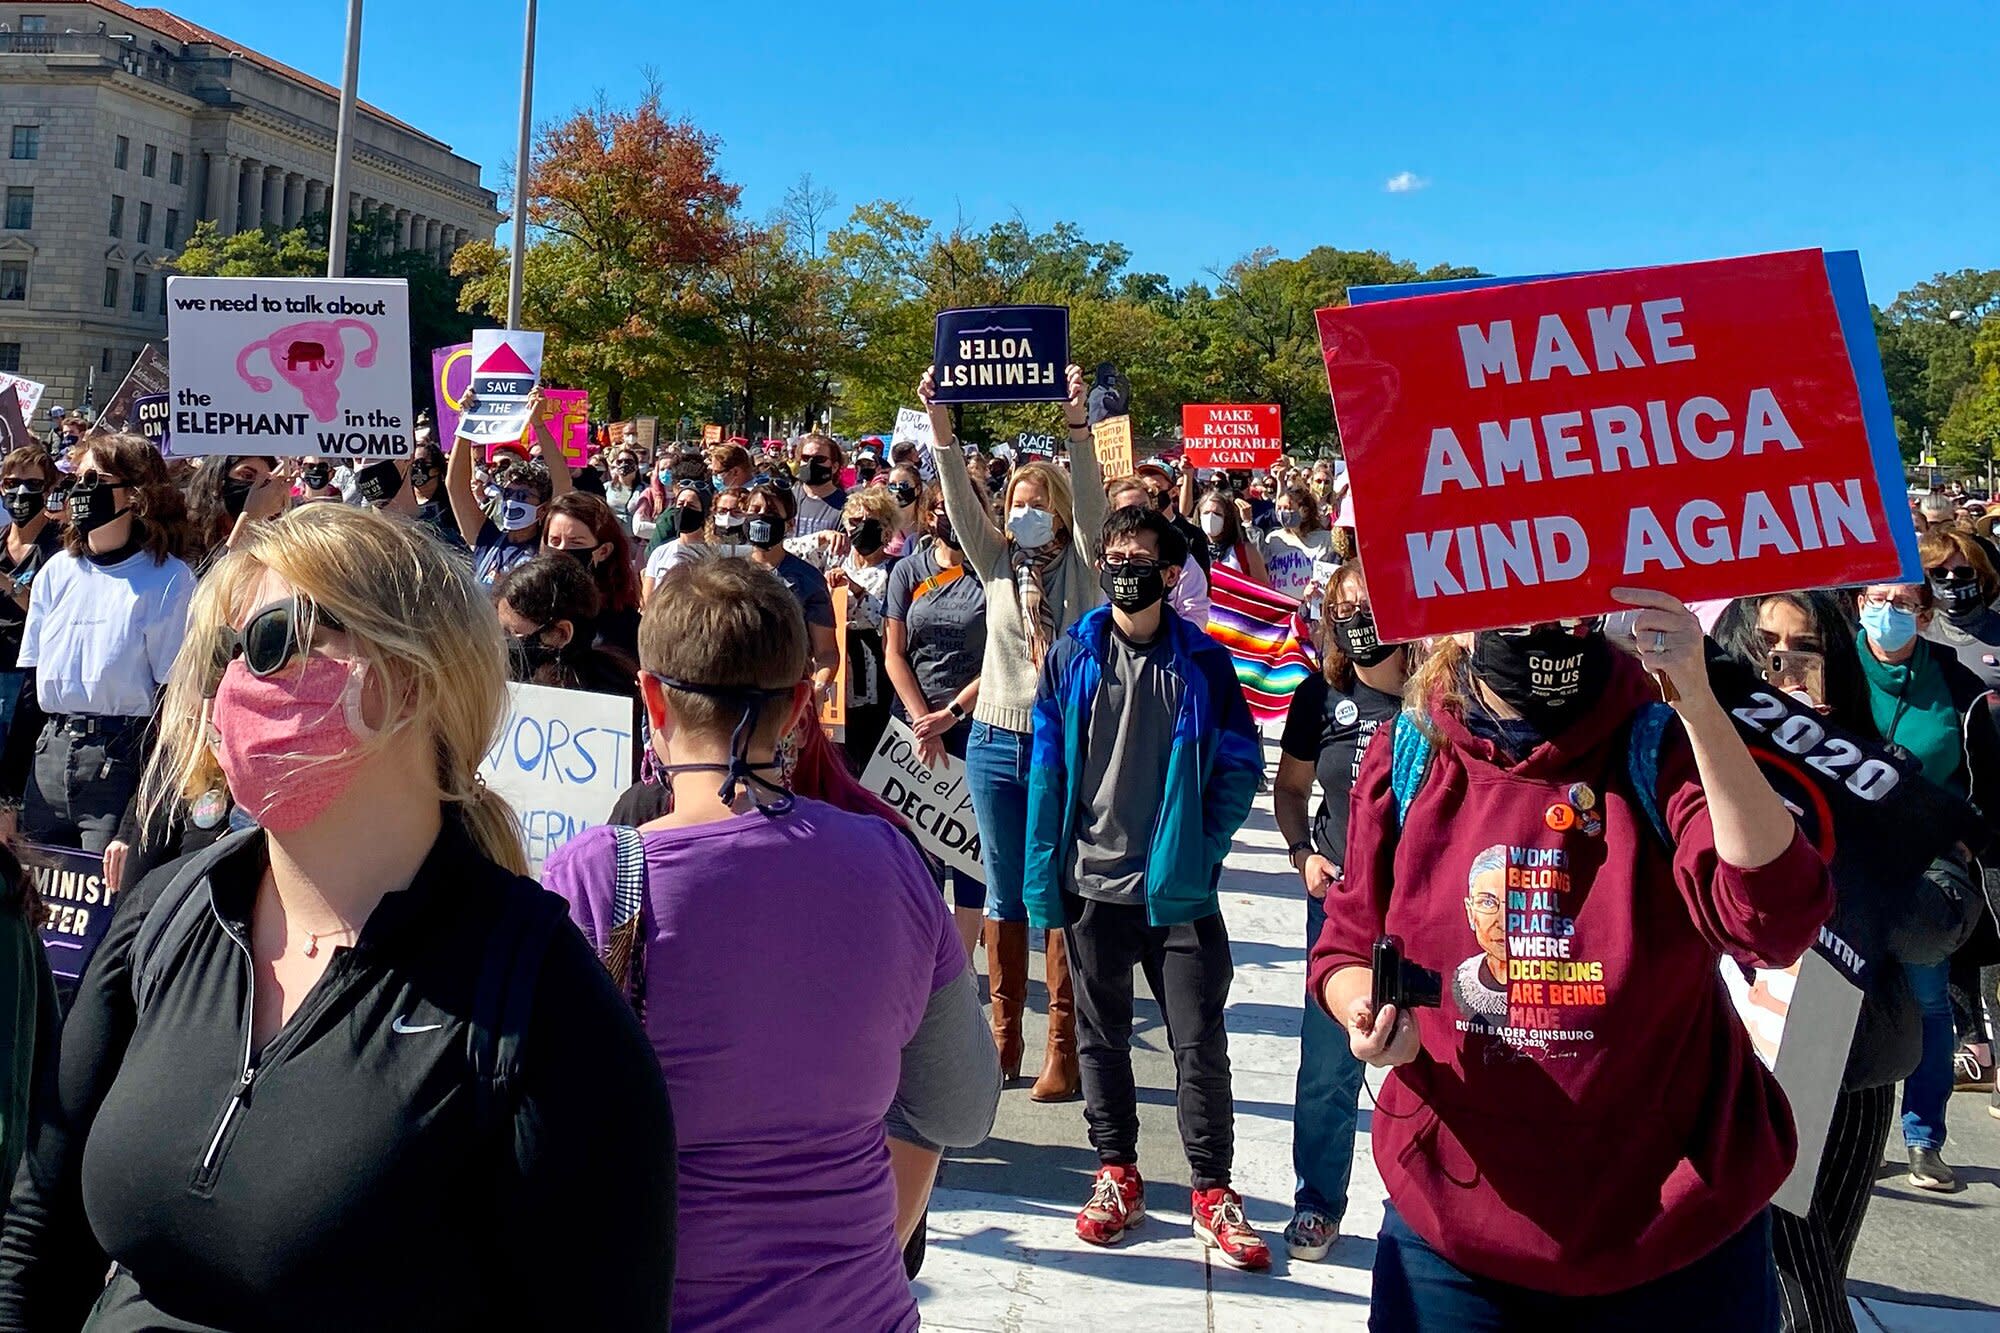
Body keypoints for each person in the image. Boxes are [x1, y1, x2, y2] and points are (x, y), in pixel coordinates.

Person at [0, 503, 677, 1331]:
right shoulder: (163, 917)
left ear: (412, 674)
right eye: (222, 654)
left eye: (276, 639)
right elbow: (37, 1240)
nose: (235, 682)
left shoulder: (544, 1007)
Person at [1310, 595, 1834, 1328]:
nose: (1542, 635)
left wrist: (1699, 702)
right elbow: (1345, 940)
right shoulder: (1410, 752)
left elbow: (1775, 922)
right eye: (1515, 612)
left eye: (1567, 614)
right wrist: (1363, 1006)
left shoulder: (1657, 744)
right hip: (1458, 1246)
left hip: (1675, 1240)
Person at [541, 557, 997, 1331]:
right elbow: (960, 1105)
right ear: (798, 706)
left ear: (652, 697)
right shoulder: (890, 858)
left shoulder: (590, 877)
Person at [1714, 590, 1984, 1332]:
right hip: (1725, 1054)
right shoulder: (1694, 759)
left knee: (1805, 1272)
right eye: (1764, 642)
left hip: (1849, 1057)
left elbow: (1939, 921)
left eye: (1806, 647)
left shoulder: (1888, 775)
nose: (1783, 660)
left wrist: (1856, 879)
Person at [1023, 505, 1267, 1268]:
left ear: (1169, 574)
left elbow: (1239, 764)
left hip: (1179, 891)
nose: (1124, 564)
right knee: (1102, 1039)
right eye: (1114, 552)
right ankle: (1116, 1172)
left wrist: (1204, 847)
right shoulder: (1073, 654)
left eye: (1140, 555)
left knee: (1199, 1043)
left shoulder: (1202, 661)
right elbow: (1046, 770)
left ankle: (1211, 1189)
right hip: (1091, 881)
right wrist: (1041, 878)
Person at [922, 362, 1106, 1102]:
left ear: (1058, 510)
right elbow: (960, 498)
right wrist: (940, 423)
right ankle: (1005, 1035)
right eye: (1018, 501)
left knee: (1053, 888)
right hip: (995, 743)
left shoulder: (1085, 567)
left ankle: (1063, 1041)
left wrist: (1074, 424)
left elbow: (1094, 505)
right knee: (1001, 889)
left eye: (1039, 502)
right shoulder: (995, 561)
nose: (1026, 510)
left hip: (1062, 744)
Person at [1271, 561, 1406, 1263]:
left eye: (1370, 606)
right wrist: (1302, 854)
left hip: (1419, 909)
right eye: (1342, 608)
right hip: (1341, 906)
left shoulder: (1437, 699)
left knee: (1427, 1060)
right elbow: (1290, 789)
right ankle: (1317, 1202)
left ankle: (1415, 1210)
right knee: (1328, 1064)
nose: (1356, 620)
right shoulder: (1318, 699)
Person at [1852, 577, 2000, 1192]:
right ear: (1859, 606)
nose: (1890, 614)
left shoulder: (1958, 687)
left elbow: (1988, 783)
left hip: (1926, 875)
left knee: (1929, 1002)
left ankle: (1923, 1138)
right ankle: (1834, 1134)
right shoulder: (1827, 666)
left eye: (1906, 605)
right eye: (1879, 601)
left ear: (1925, 614)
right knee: (1835, 1005)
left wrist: (1964, 843)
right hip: (1844, 865)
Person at [17, 435, 194, 852]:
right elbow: (30, 690)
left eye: (95, 480)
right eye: (78, 478)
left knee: (101, 904)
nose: (80, 491)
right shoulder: (57, 572)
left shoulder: (168, 579)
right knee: (32, 901)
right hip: (49, 755)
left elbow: (173, 707)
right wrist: (7, 797)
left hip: (119, 762)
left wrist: (133, 822)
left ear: (136, 494)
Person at [885, 483, 987, 957]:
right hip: (914, 727)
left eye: (962, 506)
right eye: (943, 507)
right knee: (916, 853)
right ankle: (918, 959)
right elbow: (894, 652)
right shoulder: (908, 570)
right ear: (929, 515)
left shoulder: (992, 570)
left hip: (971, 725)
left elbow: (1004, 658)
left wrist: (951, 714)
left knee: (969, 857)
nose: (950, 516)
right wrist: (922, 719)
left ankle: (962, 972)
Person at [795, 487, 902, 765]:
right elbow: (783, 553)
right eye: (854, 521)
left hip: (869, 668)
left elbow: (884, 619)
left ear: (886, 529)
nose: (860, 528)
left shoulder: (895, 570)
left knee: (863, 744)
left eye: (869, 522)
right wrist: (820, 537)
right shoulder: (834, 557)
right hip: (829, 658)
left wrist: (855, 589)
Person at [444, 391, 571, 589]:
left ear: (544, 509)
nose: (512, 501)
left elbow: (563, 485)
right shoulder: (487, 539)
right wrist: (467, 424)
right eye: (509, 494)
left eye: (523, 496)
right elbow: (455, 487)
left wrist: (538, 424)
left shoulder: (544, 546)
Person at [0, 448, 63, 801]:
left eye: (32, 483)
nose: (21, 493)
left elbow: (50, 610)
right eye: (11, 483)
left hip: (30, 674)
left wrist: (7, 584)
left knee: (16, 770)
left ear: (49, 487)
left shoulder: (61, 544)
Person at [496, 555, 641, 700]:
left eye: (515, 633)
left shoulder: (609, 695)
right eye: (501, 631)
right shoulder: (501, 686)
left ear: (562, 633)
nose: (504, 642)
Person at [743, 482, 840, 686]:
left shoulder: (809, 580)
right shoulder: (728, 571)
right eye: (755, 510)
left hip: (786, 691)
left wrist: (819, 687)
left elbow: (827, 652)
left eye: (771, 512)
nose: (761, 516)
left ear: (790, 524)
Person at [541, 492, 642, 660]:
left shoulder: (625, 625)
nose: (562, 550)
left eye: (576, 542)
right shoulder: (533, 609)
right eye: (555, 541)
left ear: (603, 551)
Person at [1107, 477, 1208, 626]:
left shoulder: (1179, 557)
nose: (1139, 516)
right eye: (1129, 510)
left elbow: (1195, 615)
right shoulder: (1106, 560)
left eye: (1144, 507)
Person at [642, 485, 748, 598]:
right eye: (680, 504)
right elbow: (648, 598)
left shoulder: (716, 553)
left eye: (691, 506)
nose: (684, 510)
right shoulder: (660, 552)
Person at [183, 456, 277, 567]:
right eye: (248, 476)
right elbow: (210, 580)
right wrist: (249, 519)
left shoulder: (269, 541)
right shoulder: (184, 533)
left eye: (266, 482)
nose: (258, 488)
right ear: (217, 479)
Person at [1262, 484, 1335, 605]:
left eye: (1287, 507)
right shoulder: (1274, 538)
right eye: (1279, 508)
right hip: (1282, 608)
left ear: (1305, 510)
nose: (1282, 513)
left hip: (1313, 608)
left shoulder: (1325, 539)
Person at [1137, 461, 1211, 574]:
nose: (1151, 493)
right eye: (1146, 489)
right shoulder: (1136, 531)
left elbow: (1202, 580)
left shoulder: (1192, 535)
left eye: (1157, 487)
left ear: (1173, 492)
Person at [1195, 485, 1268, 585]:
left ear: (1227, 519)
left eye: (1217, 514)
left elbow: (1263, 589)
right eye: (1206, 513)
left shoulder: (1246, 550)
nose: (1211, 518)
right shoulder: (1192, 551)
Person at [791, 433, 849, 536]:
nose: (811, 463)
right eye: (805, 458)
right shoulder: (787, 499)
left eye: (819, 459)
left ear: (834, 467)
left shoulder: (847, 506)